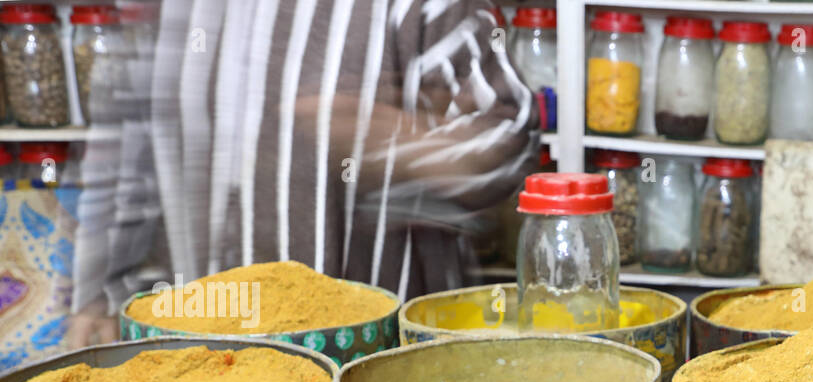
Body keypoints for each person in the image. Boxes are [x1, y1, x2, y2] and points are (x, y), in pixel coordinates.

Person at [142, 0, 538, 299]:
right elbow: (132, 137)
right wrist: (100, 292)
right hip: (201, 337)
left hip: (367, 361)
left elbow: (511, 135)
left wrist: (399, 144)